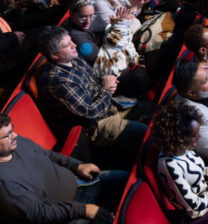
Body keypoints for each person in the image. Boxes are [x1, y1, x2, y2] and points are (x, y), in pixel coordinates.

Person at [0, 112, 123, 224]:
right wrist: (84, 210)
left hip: (78, 185)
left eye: (12, 130)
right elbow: (40, 214)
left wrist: (76, 166)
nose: (14, 135)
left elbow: (47, 154)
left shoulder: (12, 144)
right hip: (55, 221)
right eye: (8, 135)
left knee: (124, 181)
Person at [35, 26, 147, 167]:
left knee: (149, 109)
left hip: (107, 106)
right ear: (54, 55)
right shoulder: (57, 81)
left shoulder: (72, 57)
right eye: (68, 45)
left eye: (71, 41)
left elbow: (94, 76)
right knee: (142, 132)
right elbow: (91, 114)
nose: (74, 45)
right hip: (93, 127)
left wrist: (106, 79)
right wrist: (106, 90)